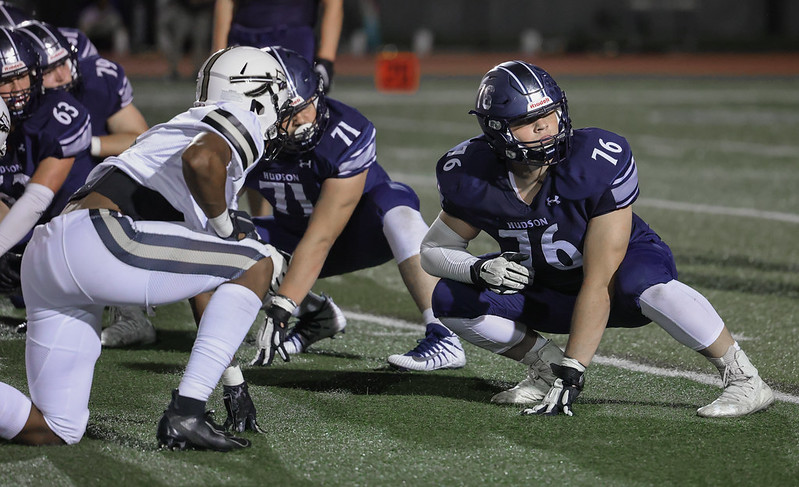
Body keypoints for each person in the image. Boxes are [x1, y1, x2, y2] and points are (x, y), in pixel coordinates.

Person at [420, 60, 774, 418]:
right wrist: (478, 268)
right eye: (527, 121)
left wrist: (574, 371)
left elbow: (600, 279)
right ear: (496, 131)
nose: (544, 125)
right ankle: (545, 369)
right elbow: (434, 251)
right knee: (450, 298)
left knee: (649, 286)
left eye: (550, 112)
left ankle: (744, 378)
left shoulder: (595, 159)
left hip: (620, 281)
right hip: (550, 288)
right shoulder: (471, 173)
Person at [0, 45, 291, 451]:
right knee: (259, 259)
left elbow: (202, 285)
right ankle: (185, 413)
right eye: (279, 93)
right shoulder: (236, 119)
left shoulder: (179, 130)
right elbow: (202, 160)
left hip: (51, 252)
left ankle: (189, 410)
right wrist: (230, 234)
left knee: (55, 428)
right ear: (255, 92)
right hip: (97, 239)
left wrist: (232, 382)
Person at [243, 46, 465, 372]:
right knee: (227, 239)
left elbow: (321, 237)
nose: (307, 118)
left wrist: (282, 304)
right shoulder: (246, 138)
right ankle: (316, 314)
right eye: (293, 112)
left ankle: (443, 333)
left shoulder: (345, 131)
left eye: (309, 105)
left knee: (396, 204)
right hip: (295, 234)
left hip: (360, 234)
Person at [17, 20, 154, 348]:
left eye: (64, 62)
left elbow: (140, 137)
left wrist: (87, 143)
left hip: (89, 196)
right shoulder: (16, 100)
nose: (64, 75)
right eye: (51, 69)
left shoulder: (95, 82)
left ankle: (129, 310)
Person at [0, 26, 94, 285]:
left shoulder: (57, 114)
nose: (17, 89)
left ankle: (128, 312)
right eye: (6, 80)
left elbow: (36, 200)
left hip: (73, 226)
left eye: (23, 76)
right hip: (27, 222)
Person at [212, 0, 342, 93]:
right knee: (234, 105)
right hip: (243, 37)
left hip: (293, 40)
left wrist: (326, 60)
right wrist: (218, 52)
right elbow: (226, 3)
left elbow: (333, 4)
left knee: (294, 109)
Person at [157, 0, 215, 79]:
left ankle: (198, 70)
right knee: (177, 40)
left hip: (202, 10)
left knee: (201, 42)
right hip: (184, 9)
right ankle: (173, 70)